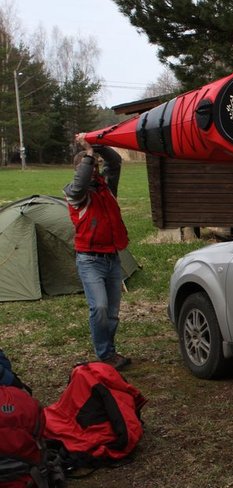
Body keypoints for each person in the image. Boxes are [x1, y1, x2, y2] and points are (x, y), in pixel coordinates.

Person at [64, 133, 131, 370]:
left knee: (112, 312)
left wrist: (98, 143)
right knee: (99, 307)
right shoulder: (76, 194)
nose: (95, 169)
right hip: (89, 260)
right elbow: (81, 182)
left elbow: (115, 162)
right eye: (90, 165)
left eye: (96, 165)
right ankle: (104, 353)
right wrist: (89, 153)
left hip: (112, 257)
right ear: (80, 168)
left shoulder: (106, 187)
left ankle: (109, 352)